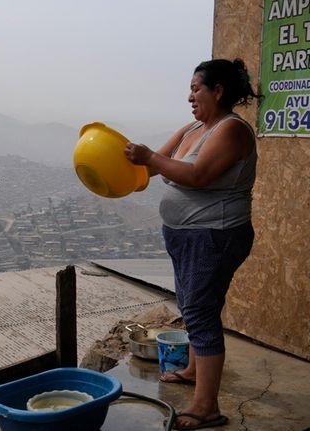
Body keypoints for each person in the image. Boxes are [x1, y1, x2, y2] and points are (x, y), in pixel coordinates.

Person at [124, 58, 259, 430]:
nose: (189, 97)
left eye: (196, 89)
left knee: (199, 311)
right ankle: (194, 371)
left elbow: (197, 175)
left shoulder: (232, 131)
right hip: (188, 236)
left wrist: (150, 156)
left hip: (214, 236)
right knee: (194, 305)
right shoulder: (195, 128)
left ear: (218, 91)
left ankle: (206, 408)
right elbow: (155, 165)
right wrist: (122, 158)